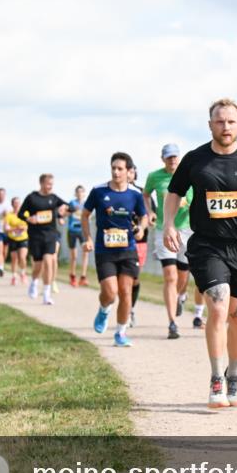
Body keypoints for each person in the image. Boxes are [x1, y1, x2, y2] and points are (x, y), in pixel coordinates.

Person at [164, 98, 237, 408]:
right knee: (217, 305)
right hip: (207, 244)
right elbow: (174, 192)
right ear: (210, 125)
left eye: (230, 122)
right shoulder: (195, 159)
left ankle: (233, 376)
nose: (225, 127)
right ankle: (216, 378)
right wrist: (169, 225)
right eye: (219, 121)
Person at [85, 153, 147, 347]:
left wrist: (141, 228)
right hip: (105, 251)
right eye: (113, 168)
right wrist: (88, 238)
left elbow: (144, 216)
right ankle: (104, 309)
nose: (116, 172)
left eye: (120, 169)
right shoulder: (98, 191)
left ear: (129, 171)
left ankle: (120, 333)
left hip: (128, 249)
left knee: (126, 291)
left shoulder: (135, 194)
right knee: (110, 292)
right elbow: (84, 215)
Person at [144, 143, 194, 339]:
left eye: (174, 157)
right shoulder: (154, 176)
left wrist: (187, 204)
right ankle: (172, 323)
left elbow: (196, 198)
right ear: (163, 159)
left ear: (179, 158)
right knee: (170, 276)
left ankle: (180, 296)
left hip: (186, 229)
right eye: (168, 157)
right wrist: (149, 211)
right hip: (164, 228)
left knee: (183, 275)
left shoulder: (189, 174)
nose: (172, 160)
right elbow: (145, 194)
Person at [18, 174, 68, 305]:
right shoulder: (32, 198)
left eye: (52, 184)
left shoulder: (54, 198)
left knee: (49, 261)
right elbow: (20, 214)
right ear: (41, 183)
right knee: (38, 266)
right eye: (48, 184)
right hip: (35, 236)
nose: (50, 186)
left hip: (50, 235)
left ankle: (46, 294)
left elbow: (69, 207)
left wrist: (65, 209)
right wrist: (29, 219)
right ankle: (34, 282)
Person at [127, 164, 149, 328]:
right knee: (123, 279)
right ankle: (126, 310)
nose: (129, 174)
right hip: (120, 241)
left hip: (139, 241)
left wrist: (146, 223)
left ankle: (131, 309)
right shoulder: (113, 192)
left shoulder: (142, 193)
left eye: (132, 171)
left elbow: (149, 214)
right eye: (126, 170)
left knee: (134, 278)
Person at [67, 185, 89, 287]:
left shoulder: (86, 204)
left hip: (82, 231)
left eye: (82, 192)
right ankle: (72, 276)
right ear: (75, 194)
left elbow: (89, 216)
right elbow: (66, 213)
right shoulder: (72, 203)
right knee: (74, 256)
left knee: (86, 253)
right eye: (78, 192)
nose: (80, 194)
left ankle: (83, 277)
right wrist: (71, 210)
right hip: (72, 231)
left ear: (84, 194)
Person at [4, 196, 29, 285]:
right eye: (15, 203)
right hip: (13, 239)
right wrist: (14, 229)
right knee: (14, 259)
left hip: (23, 238)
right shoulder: (9, 215)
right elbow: (6, 228)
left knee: (22, 257)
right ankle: (14, 276)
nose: (17, 204)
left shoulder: (25, 213)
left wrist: (24, 228)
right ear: (12, 204)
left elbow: (30, 224)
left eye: (18, 203)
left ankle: (23, 273)